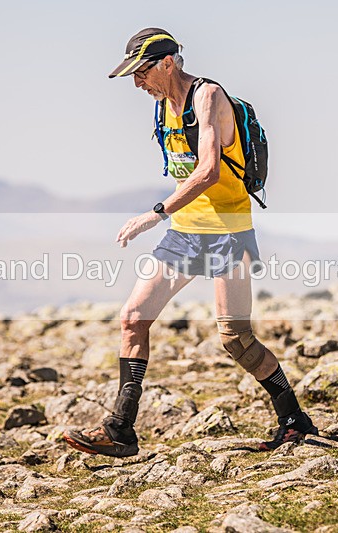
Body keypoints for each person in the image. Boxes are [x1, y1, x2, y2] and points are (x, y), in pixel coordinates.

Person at [63, 28, 317, 457]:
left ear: (168, 63)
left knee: (235, 338)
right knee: (133, 318)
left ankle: (294, 419)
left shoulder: (208, 97)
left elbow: (209, 171)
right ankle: (121, 428)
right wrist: (170, 216)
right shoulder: (162, 107)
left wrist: (154, 213)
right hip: (185, 232)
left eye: (141, 72)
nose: (137, 83)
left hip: (228, 231)